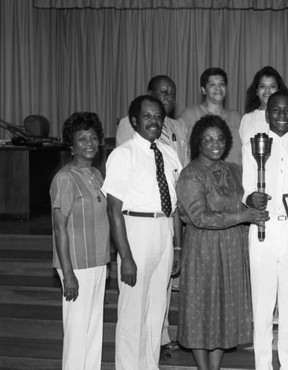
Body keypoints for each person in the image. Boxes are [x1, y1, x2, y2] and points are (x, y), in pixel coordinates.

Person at [176, 115, 268, 370]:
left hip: (231, 248)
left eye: (219, 138)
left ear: (227, 142)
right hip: (203, 249)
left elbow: (240, 202)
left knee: (223, 311)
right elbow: (199, 216)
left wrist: (254, 203)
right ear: (198, 143)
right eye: (208, 139)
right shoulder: (191, 174)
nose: (214, 144)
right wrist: (243, 215)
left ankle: (214, 369)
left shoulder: (233, 170)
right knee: (201, 309)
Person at [102, 95, 183, 370]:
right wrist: (125, 256)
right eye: (147, 116)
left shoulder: (169, 152)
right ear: (134, 120)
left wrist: (177, 245)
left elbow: (176, 203)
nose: (154, 121)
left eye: (159, 117)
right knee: (132, 311)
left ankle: (150, 365)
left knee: (156, 308)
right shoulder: (122, 154)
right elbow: (113, 208)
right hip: (135, 230)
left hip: (164, 229)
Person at [242, 91, 288, 370]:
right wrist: (251, 199)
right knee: (262, 304)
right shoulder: (252, 147)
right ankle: (262, 365)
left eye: (287, 111)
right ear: (267, 114)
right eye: (276, 110)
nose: (282, 116)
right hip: (262, 230)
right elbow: (247, 188)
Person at [50, 112, 110, 370]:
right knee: (76, 334)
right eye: (82, 139)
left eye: (93, 137)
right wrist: (68, 274)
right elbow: (59, 229)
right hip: (76, 266)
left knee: (93, 329)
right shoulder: (65, 178)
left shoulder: (96, 173)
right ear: (71, 146)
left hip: (98, 262)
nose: (89, 143)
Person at [116, 75, 188, 167]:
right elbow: (125, 162)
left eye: (173, 94)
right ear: (150, 95)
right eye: (164, 93)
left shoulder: (179, 127)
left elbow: (185, 165)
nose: (170, 98)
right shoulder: (130, 123)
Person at [177, 67, 243, 165]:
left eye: (222, 84)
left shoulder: (236, 118)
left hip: (232, 177)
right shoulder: (190, 114)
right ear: (203, 90)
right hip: (199, 177)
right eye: (212, 84)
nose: (218, 88)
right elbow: (176, 143)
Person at [239, 66, 288, 145]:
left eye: (272, 86)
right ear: (257, 91)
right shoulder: (247, 119)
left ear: (278, 90)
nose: (267, 90)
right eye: (262, 86)